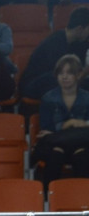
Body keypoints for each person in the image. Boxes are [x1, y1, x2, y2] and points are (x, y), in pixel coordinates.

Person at [32, 54, 89, 186]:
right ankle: (48, 199)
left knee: (82, 155)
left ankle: (82, 200)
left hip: (78, 144)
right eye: (61, 73)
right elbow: (46, 128)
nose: (64, 77)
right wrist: (72, 125)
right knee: (56, 153)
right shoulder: (48, 98)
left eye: (69, 73)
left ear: (79, 75)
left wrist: (79, 125)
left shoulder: (87, 98)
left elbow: (51, 134)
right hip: (57, 145)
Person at [19, 7, 89, 102]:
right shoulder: (55, 42)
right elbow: (63, 75)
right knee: (58, 77)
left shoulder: (78, 43)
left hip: (57, 84)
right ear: (80, 29)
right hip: (34, 85)